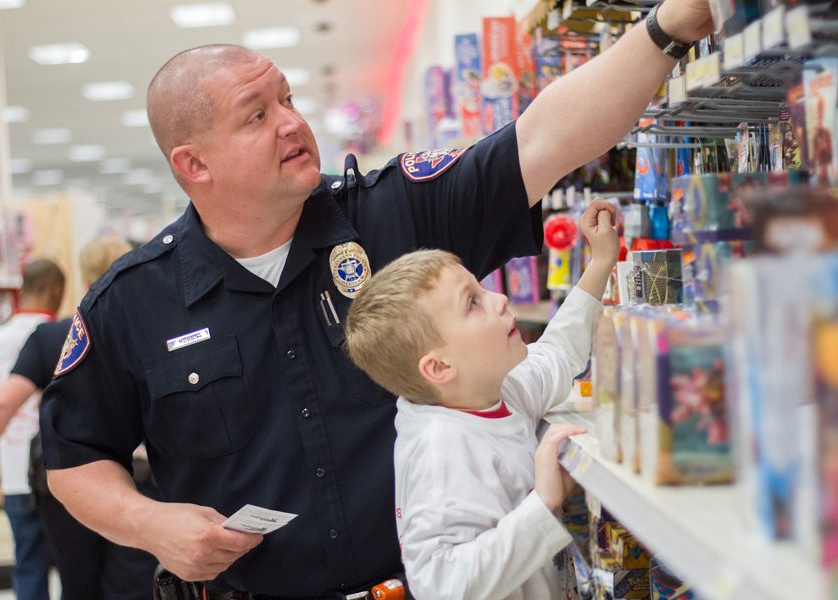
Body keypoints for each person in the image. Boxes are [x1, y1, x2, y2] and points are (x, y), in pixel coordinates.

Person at [39, 2, 714, 597]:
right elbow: (73, 459)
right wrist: (149, 522)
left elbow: (542, 139)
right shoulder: (131, 304)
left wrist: (666, 27)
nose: (291, 123)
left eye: (286, 99)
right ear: (194, 164)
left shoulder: (392, 214)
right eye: (257, 115)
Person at [344, 200, 618, 600]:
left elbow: (557, 353)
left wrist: (600, 263)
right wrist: (542, 505)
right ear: (439, 367)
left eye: (482, 288)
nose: (500, 299)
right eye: (473, 302)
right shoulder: (441, 451)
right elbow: (439, 586)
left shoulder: (493, 389)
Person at [0, 238, 159, 600]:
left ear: (84, 281)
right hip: (141, 478)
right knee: (135, 582)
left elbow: (2, 403)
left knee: (76, 581)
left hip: (69, 481)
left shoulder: (56, 336)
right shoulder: (151, 331)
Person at [0, 258, 65, 600]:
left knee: (28, 563)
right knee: (73, 566)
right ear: (57, 290)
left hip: (12, 470)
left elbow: (0, 402)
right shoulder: (59, 333)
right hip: (57, 470)